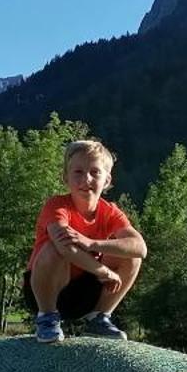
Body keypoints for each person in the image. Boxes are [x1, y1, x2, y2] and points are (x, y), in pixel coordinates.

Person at [25, 137, 146, 342]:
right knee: (53, 248)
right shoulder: (57, 206)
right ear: (66, 178)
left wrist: (92, 243)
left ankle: (99, 318)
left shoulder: (110, 212)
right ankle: (47, 318)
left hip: (85, 291)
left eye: (95, 172)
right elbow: (65, 248)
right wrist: (103, 271)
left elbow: (140, 248)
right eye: (78, 172)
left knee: (131, 256)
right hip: (45, 290)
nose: (86, 179)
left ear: (107, 180)